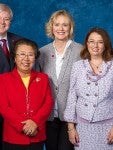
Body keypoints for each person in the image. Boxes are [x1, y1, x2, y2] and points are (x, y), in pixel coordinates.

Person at [64, 27, 113, 150]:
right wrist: (71, 128)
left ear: (106, 45)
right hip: (83, 128)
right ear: (87, 44)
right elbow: (72, 96)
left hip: (109, 127)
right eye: (91, 41)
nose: (95, 45)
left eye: (100, 42)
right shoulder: (77, 66)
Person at [38, 10, 82, 150]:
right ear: (51, 27)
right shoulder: (42, 52)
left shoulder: (81, 51)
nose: (61, 29)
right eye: (57, 24)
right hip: (48, 116)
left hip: (72, 117)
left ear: (70, 28)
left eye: (65, 25)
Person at [0, 39, 53, 150]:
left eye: (30, 55)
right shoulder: (4, 79)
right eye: (22, 54)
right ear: (15, 57)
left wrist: (35, 123)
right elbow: (4, 107)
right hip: (13, 136)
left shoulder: (43, 78)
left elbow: (48, 104)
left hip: (36, 134)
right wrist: (23, 126)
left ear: (35, 58)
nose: (26, 59)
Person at [0, 3, 29, 149]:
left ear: (10, 21)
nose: (2, 23)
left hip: (17, 108)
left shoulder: (20, 41)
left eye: (6, 19)